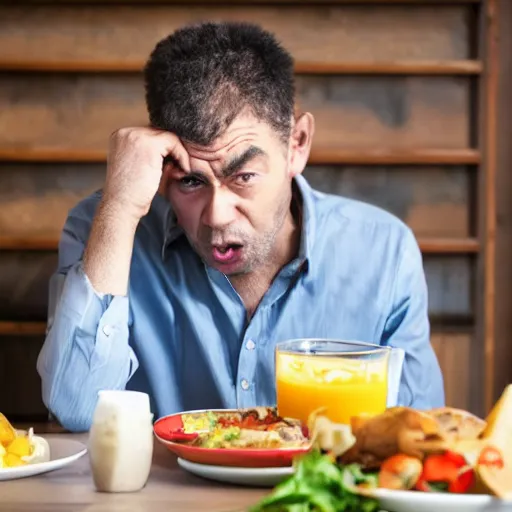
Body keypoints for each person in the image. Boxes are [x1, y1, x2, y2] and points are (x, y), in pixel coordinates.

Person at [37, 21, 444, 432]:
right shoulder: (103, 227)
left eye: (243, 176)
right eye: (191, 181)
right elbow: (77, 411)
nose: (217, 216)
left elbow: (418, 440)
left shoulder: (384, 253)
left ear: (296, 144)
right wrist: (120, 208)